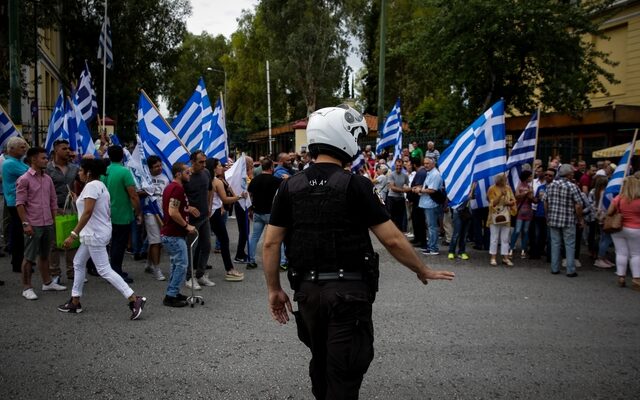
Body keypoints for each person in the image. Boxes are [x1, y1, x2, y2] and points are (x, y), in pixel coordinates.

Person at [262, 104, 455, 400]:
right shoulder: (356, 184)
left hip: (308, 294)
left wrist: (274, 289)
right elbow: (391, 239)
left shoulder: (290, 186)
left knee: (322, 364)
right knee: (345, 372)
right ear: (343, 137)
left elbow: (271, 242)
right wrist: (422, 269)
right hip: (348, 294)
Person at [57, 158, 146, 319]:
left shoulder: (91, 186)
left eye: (81, 170)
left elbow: (88, 212)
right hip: (95, 233)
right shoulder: (99, 185)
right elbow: (92, 208)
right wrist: (78, 199)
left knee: (104, 270)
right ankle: (75, 301)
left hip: (93, 234)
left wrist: (73, 234)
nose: (79, 173)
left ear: (88, 172)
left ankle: (134, 299)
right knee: (78, 263)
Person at [16, 147, 67, 299]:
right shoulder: (24, 179)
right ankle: (27, 287)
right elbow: (20, 204)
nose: (46, 160)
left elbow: (53, 201)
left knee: (45, 255)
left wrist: (55, 220)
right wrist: (26, 224)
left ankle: (47, 282)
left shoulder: (48, 179)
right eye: (43, 158)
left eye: (46, 158)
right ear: (33, 160)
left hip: (47, 223)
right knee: (29, 257)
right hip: (33, 223)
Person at [102, 145, 140, 283]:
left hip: (106, 214)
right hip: (122, 214)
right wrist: (138, 211)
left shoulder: (104, 171)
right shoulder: (124, 172)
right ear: (123, 156)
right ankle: (115, 271)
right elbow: (133, 195)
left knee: (109, 243)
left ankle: (108, 269)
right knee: (119, 244)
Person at [161, 162, 196, 307]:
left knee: (176, 264)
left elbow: (176, 209)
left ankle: (173, 292)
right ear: (178, 174)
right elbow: (173, 211)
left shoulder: (173, 187)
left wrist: (188, 209)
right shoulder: (176, 188)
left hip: (172, 234)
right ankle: (170, 296)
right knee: (182, 264)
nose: (190, 174)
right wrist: (186, 225)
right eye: (187, 172)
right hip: (173, 234)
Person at [207, 157, 245, 282]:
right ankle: (229, 269)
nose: (221, 167)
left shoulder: (211, 180)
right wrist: (239, 197)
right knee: (224, 240)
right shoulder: (216, 181)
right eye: (219, 165)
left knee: (204, 242)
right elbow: (225, 199)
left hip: (209, 213)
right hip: (214, 213)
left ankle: (197, 266)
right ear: (213, 168)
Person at [46, 139, 79, 284]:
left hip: (71, 208)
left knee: (71, 240)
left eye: (68, 149)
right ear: (56, 151)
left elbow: (81, 183)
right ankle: (54, 273)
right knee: (54, 242)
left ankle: (72, 272)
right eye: (64, 149)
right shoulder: (47, 169)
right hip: (53, 208)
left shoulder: (74, 168)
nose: (68, 151)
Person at [544, 164, 584, 277]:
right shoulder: (572, 187)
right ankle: (570, 270)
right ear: (568, 174)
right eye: (572, 173)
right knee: (570, 244)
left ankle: (554, 268)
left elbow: (545, 202)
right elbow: (578, 205)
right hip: (568, 219)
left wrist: (547, 215)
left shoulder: (550, 185)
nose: (573, 174)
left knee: (555, 243)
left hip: (553, 218)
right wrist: (580, 219)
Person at [183, 150, 212, 289]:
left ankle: (200, 274)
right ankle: (189, 277)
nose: (204, 164)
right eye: (201, 162)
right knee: (191, 248)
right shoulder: (186, 176)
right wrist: (188, 208)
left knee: (206, 246)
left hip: (205, 216)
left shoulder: (206, 173)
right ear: (192, 161)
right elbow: (178, 197)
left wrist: (210, 206)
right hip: (192, 219)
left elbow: (210, 190)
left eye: (205, 161)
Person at [247, 157, 282, 269]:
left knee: (254, 237)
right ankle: (282, 262)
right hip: (272, 213)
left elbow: (250, 195)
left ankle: (251, 261)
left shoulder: (255, 180)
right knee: (278, 238)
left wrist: (250, 209)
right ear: (272, 167)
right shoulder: (277, 181)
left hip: (258, 212)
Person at [607, 176, 640, 290]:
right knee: (636, 254)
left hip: (618, 228)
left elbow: (610, 212)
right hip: (635, 229)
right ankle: (636, 278)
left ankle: (621, 276)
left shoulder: (619, 198)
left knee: (621, 253)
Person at [2, 136, 29, 273]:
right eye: (22, 147)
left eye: (24, 146)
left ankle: (19, 260)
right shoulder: (10, 163)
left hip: (19, 200)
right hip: (15, 201)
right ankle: (17, 262)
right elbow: (30, 173)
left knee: (19, 232)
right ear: (11, 149)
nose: (24, 149)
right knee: (18, 232)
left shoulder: (17, 161)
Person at [140, 155, 168, 281]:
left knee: (157, 241)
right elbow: (136, 192)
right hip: (150, 211)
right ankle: (157, 269)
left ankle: (149, 263)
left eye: (160, 165)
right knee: (155, 241)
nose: (159, 168)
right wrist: (147, 191)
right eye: (156, 166)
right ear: (150, 168)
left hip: (163, 213)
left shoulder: (165, 178)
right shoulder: (144, 178)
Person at [415, 157, 442, 255]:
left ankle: (433, 248)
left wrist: (420, 190)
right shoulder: (430, 173)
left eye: (428, 163)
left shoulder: (435, 174)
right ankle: (430, 246)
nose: (425, 165)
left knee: (432, 227)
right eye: (424, 163)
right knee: (430, 226)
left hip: (431, 204)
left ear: (433, 164)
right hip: (427, 203)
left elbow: (432, 190)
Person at [487, 174, 516, 266]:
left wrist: (509, 203)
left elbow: (513, 201)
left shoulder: (508, 188)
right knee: (494, 238)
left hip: (506, 215)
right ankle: (493, 257)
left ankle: (505, 258)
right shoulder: (491, 189)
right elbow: (492, 203)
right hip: (495, 216)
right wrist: (500, 195)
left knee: (505, 238)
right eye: (505, 179)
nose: (506, 180)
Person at [509, 170, 534, 258]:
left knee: (526, 231)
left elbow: (532, 199)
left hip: (528, 211)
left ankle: (524, 249)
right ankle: (511, 248)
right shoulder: (519, 186)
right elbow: (516, 196)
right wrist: (526, 193)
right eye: (530, 176)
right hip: (520, 211)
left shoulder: (530, 187)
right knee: (517, 230)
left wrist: (531, 195)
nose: (531, 178)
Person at [387, 158, 410, 230]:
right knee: (391, 216)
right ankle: (391, 231)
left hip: (401, 198)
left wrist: (407, 188)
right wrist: (403, 190)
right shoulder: (391, 175)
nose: (399, 167)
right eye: (397, 165)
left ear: (402, 165)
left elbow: (407, 185)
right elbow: (392, 187)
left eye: (400, 165)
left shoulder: (405, 175)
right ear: (395, 165)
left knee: (400, 216)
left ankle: (399, 231)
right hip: (392, 198)